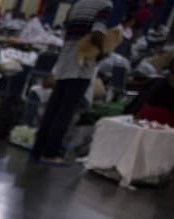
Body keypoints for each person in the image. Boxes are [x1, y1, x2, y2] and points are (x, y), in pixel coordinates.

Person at [30, 0, 120, 164]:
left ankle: (37, 150)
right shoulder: (104, 4)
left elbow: (65, 28)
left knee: (52, 109)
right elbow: (98, 32)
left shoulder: (78, 4)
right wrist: (101, 53)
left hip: (65, 62)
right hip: (82, 65)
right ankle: (50, 153)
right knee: (65, 112)